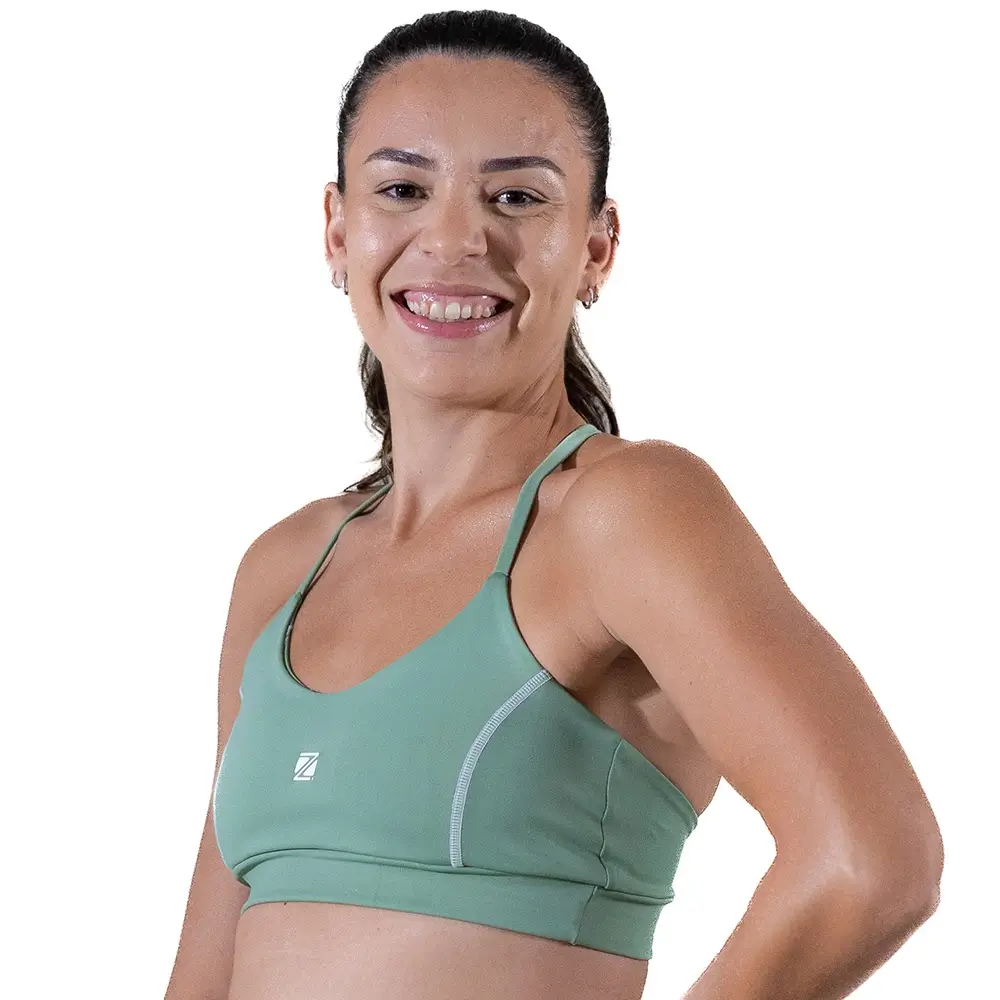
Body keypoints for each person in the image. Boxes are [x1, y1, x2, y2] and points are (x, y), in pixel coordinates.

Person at [165, 11, 942, 1000]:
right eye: (402, 189)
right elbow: (200, 976)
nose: (455, 237)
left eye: (517, 196)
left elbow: (873, 861)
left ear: (596, 247)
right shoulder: (282, 568)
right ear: (337, 229)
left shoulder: (622, 515)